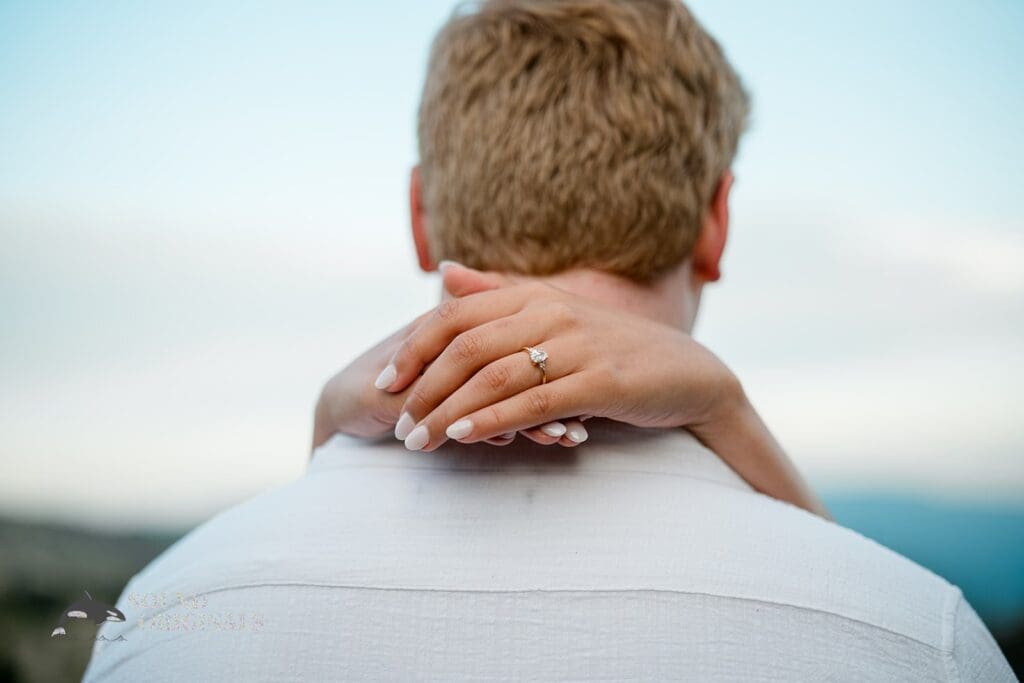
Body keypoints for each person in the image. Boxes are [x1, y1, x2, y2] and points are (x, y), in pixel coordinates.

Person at [84, 0, 1013, 680]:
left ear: (419, 214)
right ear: (717, 220)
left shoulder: (162, 613)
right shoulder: (921, 637)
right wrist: (726, 404)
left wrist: (327, 423)